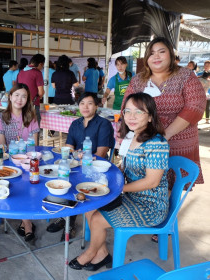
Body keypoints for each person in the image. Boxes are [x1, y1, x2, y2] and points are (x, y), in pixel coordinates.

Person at [69, 92, 170, 272]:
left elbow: (152, 182)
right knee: (89, 204)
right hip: (130, 195)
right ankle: (102, 254)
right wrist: (106, 180)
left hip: (150, 204)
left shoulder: (157, 143)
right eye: (127, 111)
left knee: (98, 219)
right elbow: (123, 167)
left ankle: (91, 253)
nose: (131, 117)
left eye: (138, 112)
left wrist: (118, 188)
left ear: (150, 117)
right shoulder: (131, 137)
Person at [123, 37, 206, 190]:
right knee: (143, 185)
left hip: (178, 140)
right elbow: (126, 107)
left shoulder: (186, 77)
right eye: (152, 53)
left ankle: (167, 213)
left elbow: (194, 107)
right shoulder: (138, 80)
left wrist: (165, 135)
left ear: (171, 55)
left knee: (171, 189)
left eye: (162, 52)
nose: (156, 56)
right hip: (144, 141)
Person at [47, 92, 115, 240]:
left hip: (95, 170)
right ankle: (65, 215)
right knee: (60, 179)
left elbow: (101, 154)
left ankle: (69, 221)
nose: (85, 107)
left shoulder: (104, 124)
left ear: (96, 106)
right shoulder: (75, 123)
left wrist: (82, 157)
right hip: (76, 165)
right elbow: (68, 148)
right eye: (82, 103)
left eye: (90, 103)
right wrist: (72, 156)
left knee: (75, 183)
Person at [0, 83, 40, 242]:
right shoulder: (1, 118)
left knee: (31, 180)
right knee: (20, 183)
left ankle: (25, 221)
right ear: (10, 97)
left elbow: (34, 146)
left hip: (27, 162)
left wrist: (26, 158)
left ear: (28, 100)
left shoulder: (31, 117)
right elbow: (1, 147)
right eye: (17, 95)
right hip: (9, 163)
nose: (20, 99)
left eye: (24, 96)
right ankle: (27, 224)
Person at [17, 54, 45, 126]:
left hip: (21, 103)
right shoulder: (37, 73)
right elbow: (41, 92)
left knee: (22, 127)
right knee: (34, 129)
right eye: (42, 66)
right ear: (40, 64)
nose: (42, 68)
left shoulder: (21, 72)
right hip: (33, 104)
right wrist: (41, 94)